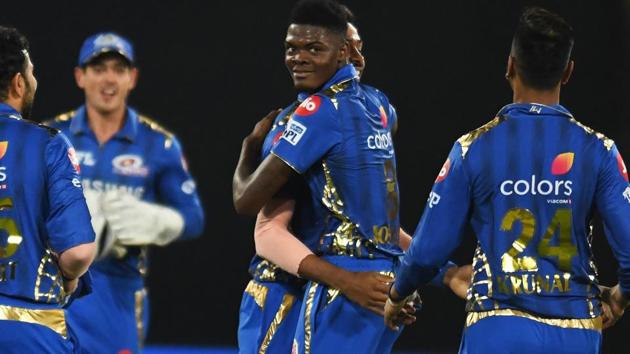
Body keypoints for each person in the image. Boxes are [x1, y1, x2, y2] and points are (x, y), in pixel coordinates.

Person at [384, 7, 630, 354]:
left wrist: (398, 293)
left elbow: (427, 252)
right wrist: (619, 297)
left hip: (498, 327)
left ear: (510, 66)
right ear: (568, 72)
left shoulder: (473, 148)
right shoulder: (599, 150)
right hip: (575, 332)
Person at [233, 1, 460, 352]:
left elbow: (260, 221)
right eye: (293, 48)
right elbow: (271, 230)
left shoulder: (328, 114)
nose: (299, 57)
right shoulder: (379, 108)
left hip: (324, 287)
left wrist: (249, 147)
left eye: (357, 46)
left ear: (345, 52)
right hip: (295, 286)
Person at [45, 32, 205, 354]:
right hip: (55, 288)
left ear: (132, 78)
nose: (108, 79)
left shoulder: (159, 144)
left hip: (120, 292)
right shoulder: (51, 135)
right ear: (80, 76)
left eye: (118, 69)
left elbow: (193, 218)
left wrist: (158, 221)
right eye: (98, 68)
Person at [0, 26, 96, 353]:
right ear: (18, 83)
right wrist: (70, 279)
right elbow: (78, 252)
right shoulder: (48, 144)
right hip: (29, 331)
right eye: (32, 73)